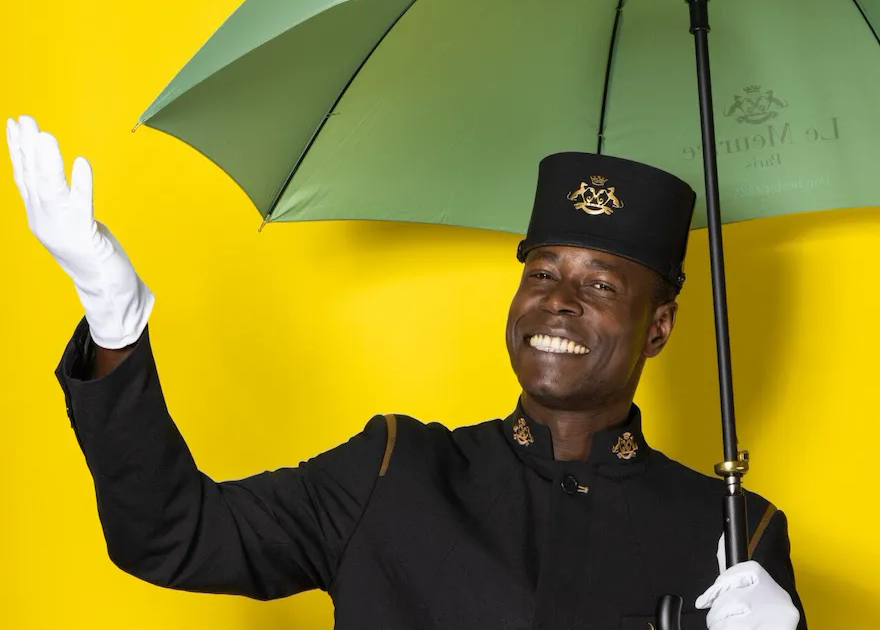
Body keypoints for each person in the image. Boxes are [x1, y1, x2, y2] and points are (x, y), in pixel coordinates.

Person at [6, 114, 806, 630]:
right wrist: (114, 321)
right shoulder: (393, 470)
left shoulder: (736, 536)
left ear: (657, 326)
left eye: (599, 285)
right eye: (541, 273)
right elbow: (173, 537)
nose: (558, 303)